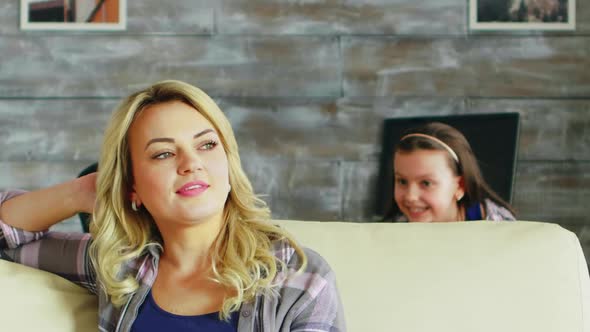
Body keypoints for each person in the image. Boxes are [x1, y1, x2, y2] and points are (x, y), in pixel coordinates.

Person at [0, 80, 345, 331]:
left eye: (207, 145)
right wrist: (82, 191)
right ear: (132, 186)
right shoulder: (118, 267)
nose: (191, 163)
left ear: (229, 164)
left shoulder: (299, 277)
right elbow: (7, 238)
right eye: (163, 153)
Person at [391, 122, 516, 222]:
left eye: (426, 183)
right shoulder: (393, 231)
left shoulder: (495, 224)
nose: (410, 196)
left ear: (460, 186)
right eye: (402, 181)